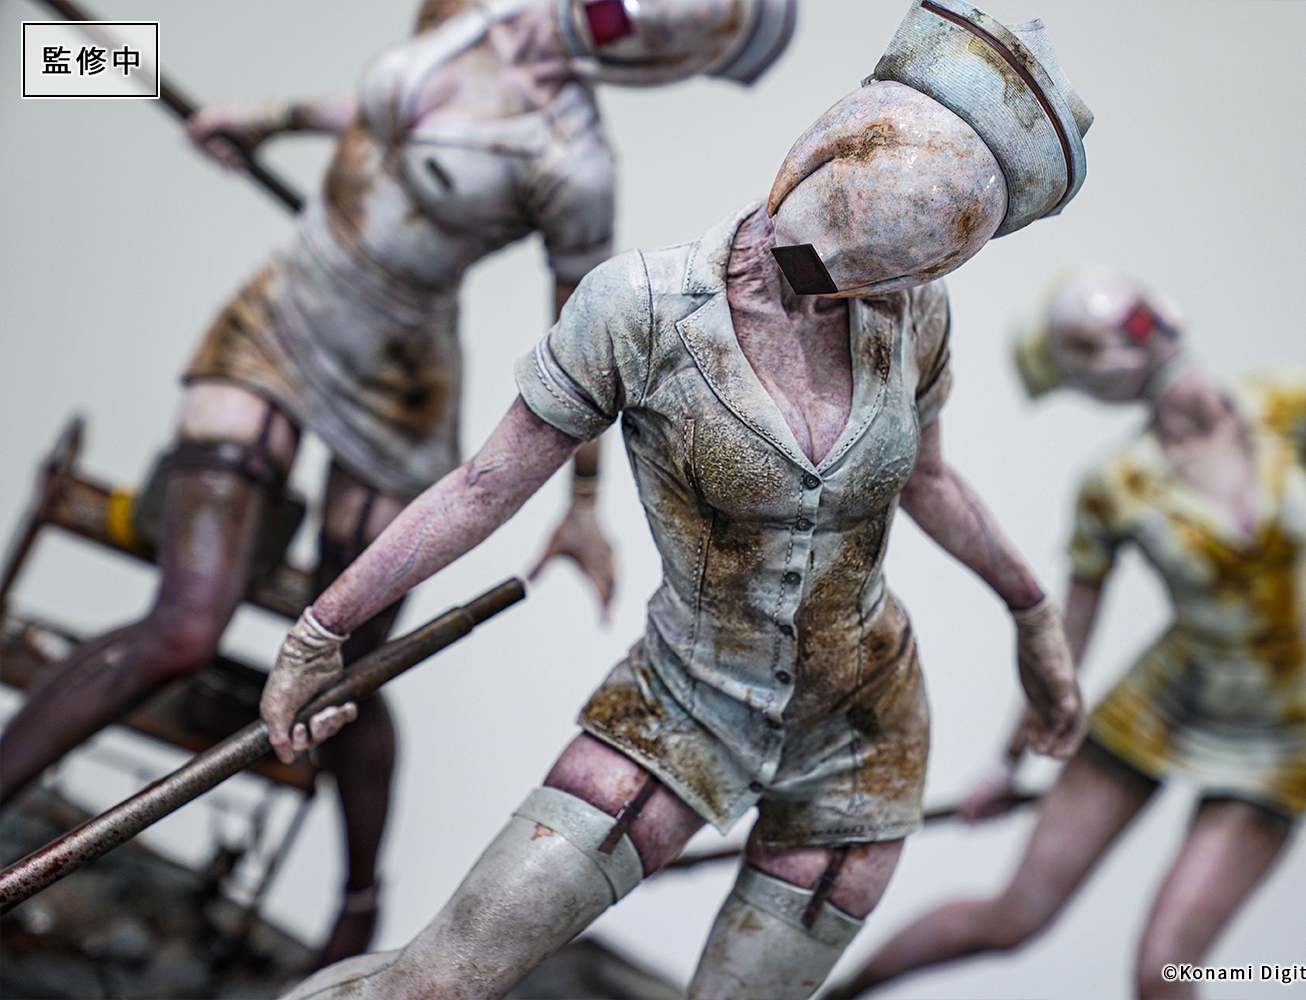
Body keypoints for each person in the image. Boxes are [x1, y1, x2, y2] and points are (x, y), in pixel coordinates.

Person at [257, 3, 1096, 996]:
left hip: (862, 735)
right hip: (681, 703)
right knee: (434, 982)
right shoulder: (640, 312)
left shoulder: (912, 315)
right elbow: (484, 486)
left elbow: (933, 480)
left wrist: (1033, 614)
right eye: (815, 258)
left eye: (877, 275)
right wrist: (322, 631)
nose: (824, 287)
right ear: (818, 159)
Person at [0, 0, 793, 968]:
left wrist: (583, 502)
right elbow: (378, 109)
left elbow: (594, 336)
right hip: (283, 316)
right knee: (183, 629)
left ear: (667, 54)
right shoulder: (467, 13)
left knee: (347, 671)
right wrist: (272, 119)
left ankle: (359, 902)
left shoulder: (573, 164)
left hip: (400, 386)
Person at [826, 267, 1306, 1000]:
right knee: (1013, 918)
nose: (1140, 334)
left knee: (1164, 969)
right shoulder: (1118, 484)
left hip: (1277, 735)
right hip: (1157, 711)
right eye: (1103, 336)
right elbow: (1067, 634)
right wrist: (1008, 760)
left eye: (1134, 318)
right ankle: (835, 994)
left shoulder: (1286, 405)